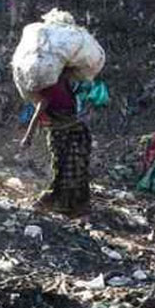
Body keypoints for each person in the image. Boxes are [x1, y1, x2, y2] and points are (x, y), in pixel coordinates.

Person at [20, 68, 91, 215]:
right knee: (64, 169)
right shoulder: (50, 90)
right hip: (60, 134)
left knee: (76, 168)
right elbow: (38, 112)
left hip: (75, 132)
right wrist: (28, 136)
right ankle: (61, 203)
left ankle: (77, 204)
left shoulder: (67, 86)